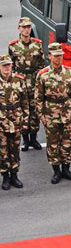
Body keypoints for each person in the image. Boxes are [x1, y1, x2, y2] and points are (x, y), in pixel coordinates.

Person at [34, 43, 71, 184]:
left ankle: (66, 169)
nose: (58, 59)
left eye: (60, 56)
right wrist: (42, 116)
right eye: (55, 56)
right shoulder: (43, 75)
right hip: (50, 113)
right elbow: (38, 98)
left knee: (67, 143)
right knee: (53, 144)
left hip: (66, 112)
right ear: (49, 56)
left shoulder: (69, 72)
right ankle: (56, 171)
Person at [8, 17, 44, 153]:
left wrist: (40, 81)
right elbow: (11, 65)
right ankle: (25, 139)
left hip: (34, 80)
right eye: (23, 27)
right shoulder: (13, 46)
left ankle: (34, 138)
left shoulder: (37, 44)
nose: (26, 29)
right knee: (22, 110)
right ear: (19, 29)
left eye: (28, 27)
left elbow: (41, 63)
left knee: (35, 110)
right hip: (20, 81)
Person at [0, 54, 28, 191]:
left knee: (15, 149)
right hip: (1, 121)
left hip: (16, 120)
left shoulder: (19, 80)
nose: (6, 68)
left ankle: (14, 176)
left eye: (8, 65)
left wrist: (25, 120)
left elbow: (24, 102)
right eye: (4, 65)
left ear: (12, 65)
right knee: (3, 150)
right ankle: (5, 177)